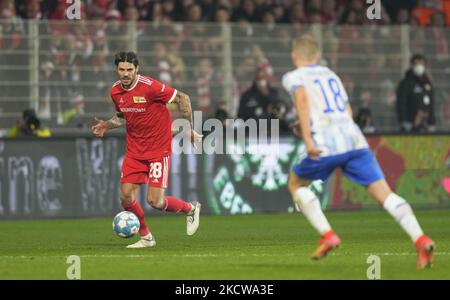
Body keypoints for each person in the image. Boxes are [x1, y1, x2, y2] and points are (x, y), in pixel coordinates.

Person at [282, 35, 435, 269]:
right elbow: (346, 110)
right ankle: (420, 239)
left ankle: (327, 235)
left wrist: (308, 137)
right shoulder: (331, 75)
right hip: (355, 141)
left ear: (294, 56)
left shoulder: (293, 76)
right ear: (317, 56)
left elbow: (302, 100)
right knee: (386, 195)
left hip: (325, 143)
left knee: (295, 183)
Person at [91, 52, 202, 249]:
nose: (125, 74)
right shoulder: (115, 91)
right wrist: (106, 126)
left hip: (158, 149)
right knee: (125, 196)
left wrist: (189, 127)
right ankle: (146, 237)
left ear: (137, 69)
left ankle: (190, 209)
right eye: (122, 69)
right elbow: (121, 117)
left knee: (155, 202)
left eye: (129, 70)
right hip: (134, 150)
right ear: (116, 69)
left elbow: (183, 98)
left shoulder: (151, 87)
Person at [396, 54, 435, 133]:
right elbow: (401, 103)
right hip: (410, 123)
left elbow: (431, 103)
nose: (419, 67)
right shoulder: (406, 83)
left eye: (421, 64)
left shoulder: (427, 82)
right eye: (416, 64)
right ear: (412, 65)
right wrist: (405, 122)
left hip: (425, 124)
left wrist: (431, 121)